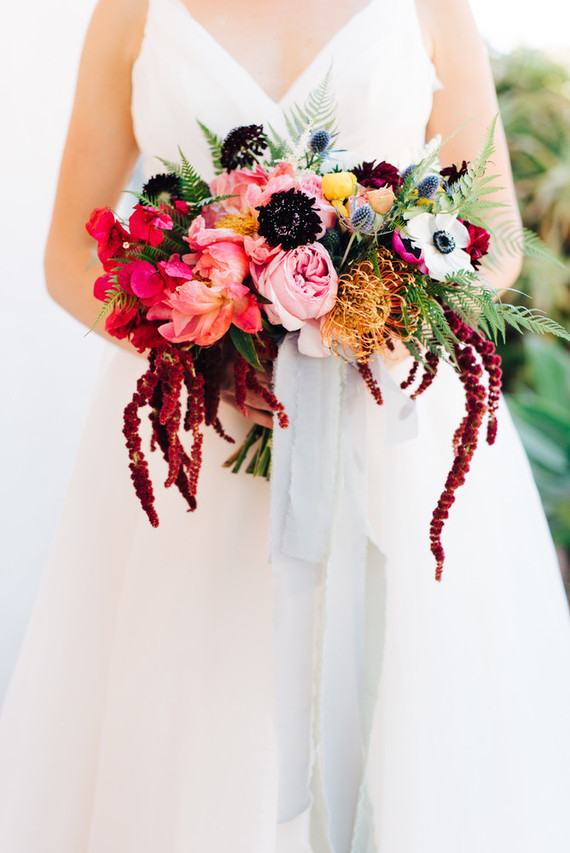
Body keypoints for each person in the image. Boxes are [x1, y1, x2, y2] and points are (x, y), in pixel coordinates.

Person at [1, 0, 570, 851]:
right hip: (199, 445)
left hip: (393, 432)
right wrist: (200, 344)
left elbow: (497, 241)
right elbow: (67, 255)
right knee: (199, 721)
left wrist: (382, 316)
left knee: (408, 719)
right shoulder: (131, 12)